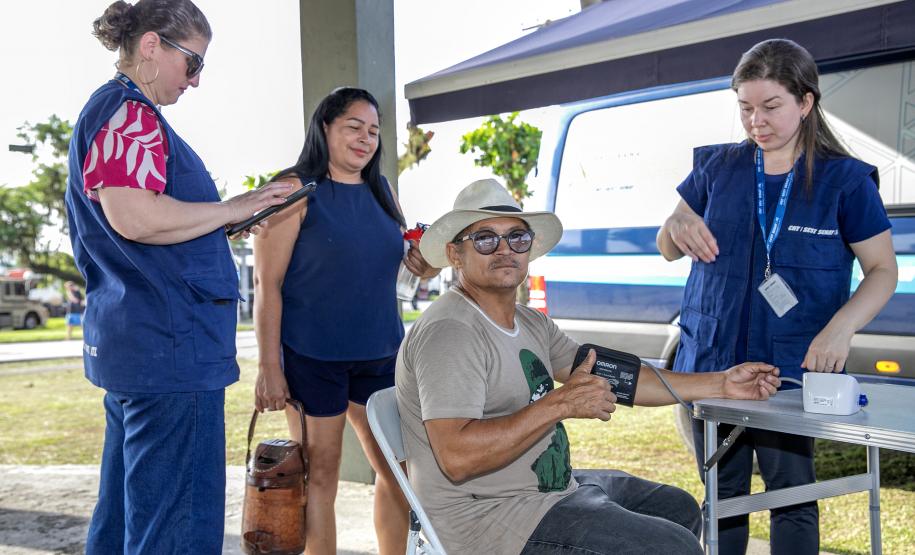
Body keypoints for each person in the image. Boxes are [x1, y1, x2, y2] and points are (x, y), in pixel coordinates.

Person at [396, 178, 783, 555]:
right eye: (484, 238)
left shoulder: (530, 322)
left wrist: (721, 383)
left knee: (677, 508)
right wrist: (560, 404)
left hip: (546, 490)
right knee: (673, 547)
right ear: (454, 254)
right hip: (487, 519)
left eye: (517, 237)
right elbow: (457, 458)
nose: (504, 249)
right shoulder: (452, 331)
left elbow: (618, 377)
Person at [65, 1, 292, 552]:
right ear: (150, 47)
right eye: (192, 63)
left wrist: (215, 226)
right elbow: (136, 217)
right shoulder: (130, 112)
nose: (195, 81)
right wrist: (231, 209)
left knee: (125, 521)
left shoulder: (111, 112)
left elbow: (143, 225)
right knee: (175, 529)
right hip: (170, 350)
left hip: (140, 347)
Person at [657, 39, 898, 554]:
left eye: (770, 107)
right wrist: (676, 222)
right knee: (721, 494)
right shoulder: (716, 169)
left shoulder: (845, 181)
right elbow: (666, 247)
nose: (755, 121)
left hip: (787, 372)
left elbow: (882, 271)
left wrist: (841, 327)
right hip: (715, 366)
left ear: (806, 102)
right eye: (745, 107)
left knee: (793, 495)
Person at [253, 86, 438, 555]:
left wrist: (425, 263)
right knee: (321, 479)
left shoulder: (383, 190)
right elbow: (266, 286)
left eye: (374, 131)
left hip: (381, 354)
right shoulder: (293, 190)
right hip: (312, 357)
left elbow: (388, 266)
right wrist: (269, 367)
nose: (365, 139)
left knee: (400, 472)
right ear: (325, 128)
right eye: (354, 127)